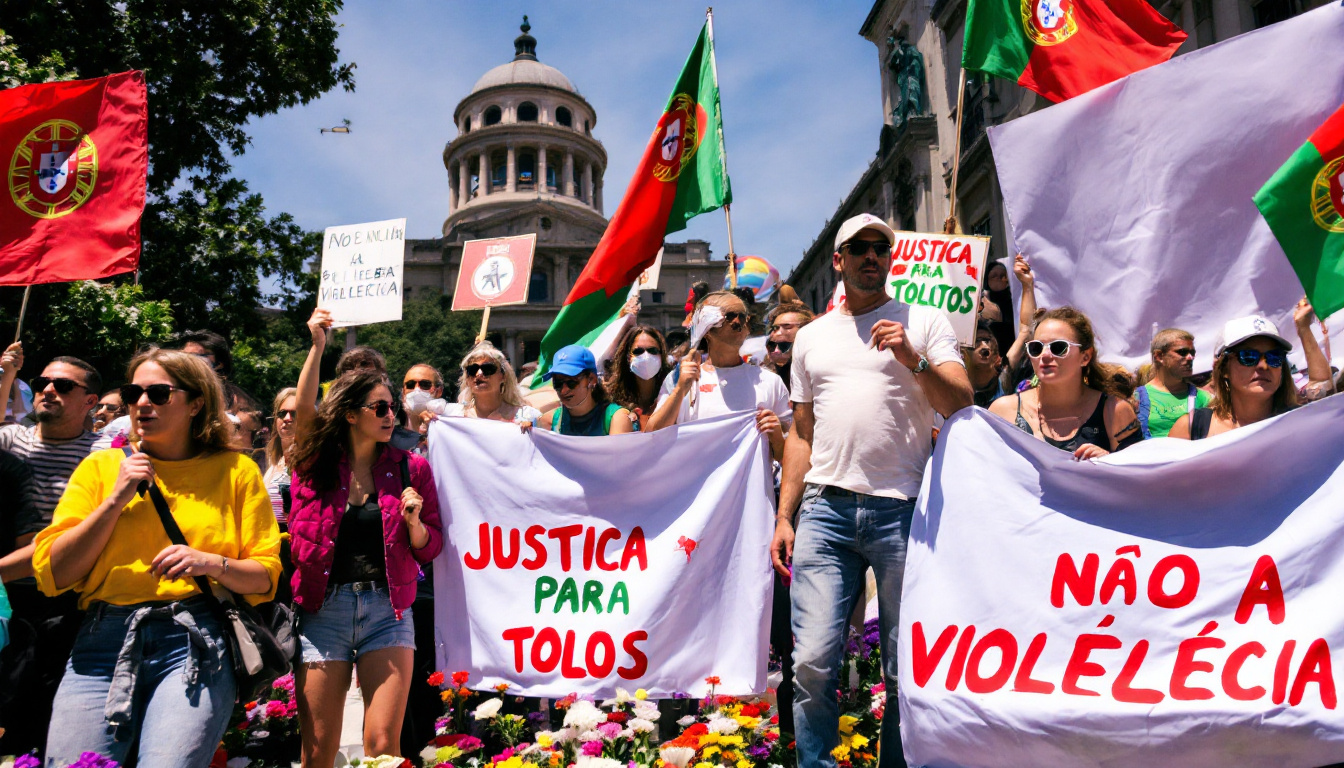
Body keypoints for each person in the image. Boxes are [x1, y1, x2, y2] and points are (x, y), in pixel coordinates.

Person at [770, 213, 973, 768]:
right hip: (823, 510)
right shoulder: (810, 337)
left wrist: (915, 359)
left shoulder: (925, 320)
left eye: (880, 247)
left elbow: (961, 402)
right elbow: (801, 435)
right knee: (811, 659)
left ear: (891, 258)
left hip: (902, 510)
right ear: (838, 261)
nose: (870, 256)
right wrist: (785, 516)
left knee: (903, 667)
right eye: (857, 248)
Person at [32, 349, 281, 766]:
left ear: (196, 403)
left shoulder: (236, 471)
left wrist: (210, 563)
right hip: (101, 641)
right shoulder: (101, 467)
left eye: (159, 393)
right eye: (134, 393)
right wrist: (114, 500)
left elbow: (264, 577)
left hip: (195, 640)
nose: (142, 403)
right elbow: (54, 572)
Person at [288, 369, 444, 766]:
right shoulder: (313, 464)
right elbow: (306, 412)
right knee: (318, 751)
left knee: (383, 748)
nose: (390, 415)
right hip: (324, 612)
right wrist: (317, 345)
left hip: (388, 611)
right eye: (379, 408)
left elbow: (431, 547)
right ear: (350, 414)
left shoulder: (412, 468)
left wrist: (413, 523)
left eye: (392, 406)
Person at [0, 352, 102, 757]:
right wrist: (8, 376)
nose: (47, 391)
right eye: (43, 383)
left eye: (62, 386)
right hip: (9, 595)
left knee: (50, 695)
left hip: (67, 596)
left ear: (90, 401)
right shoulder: (10, 441)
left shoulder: (101, 455)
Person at [645, 292, 789, 460]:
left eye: (742, 317)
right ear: (707, 328)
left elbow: (789, 458)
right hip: (697, 485)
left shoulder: (770, 382)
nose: (737, 322)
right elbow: (652, 437)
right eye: (728, 316)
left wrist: (777, 438)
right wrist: (679, 390)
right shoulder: (680, 379)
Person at [988, 307, 1142, 459]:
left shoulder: (1114, 411)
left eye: (1058, 347)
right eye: (1036, 348)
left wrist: (1110, 462)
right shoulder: (1003, 411)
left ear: (1085, 357)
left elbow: (1139, 476)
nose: (1045, 355)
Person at [1170, 315, 1298, 440]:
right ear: (1224, 368)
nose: (1263, 366)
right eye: (1248, 356)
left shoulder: (1302, 423)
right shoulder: (1190, 428)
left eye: (1274, 357)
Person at [537, 345, 634, 436]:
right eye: (557, 384)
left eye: (571, 382)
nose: (564, 390)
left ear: (591, 379)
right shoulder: (548, 422)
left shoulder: (616, 419)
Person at [1135, 328, 1212, 438]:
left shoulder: (1204, 398)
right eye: (1182, 352)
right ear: (1159, 356)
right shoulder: (1137, 399)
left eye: (1192, 352)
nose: (1190, 358)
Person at [441, 343, 542, 425]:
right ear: (467, 379)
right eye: (472, 370)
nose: (479, 374)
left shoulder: (526, 416)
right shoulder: (451, 416)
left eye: (488, 369)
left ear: (503, 376)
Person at [604, 326, 672, 431]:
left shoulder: (671, 394)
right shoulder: (612, 400)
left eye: (652, 350)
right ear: (628, 357)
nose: (646, 356)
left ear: (661, 356)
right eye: (638, 351)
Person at [763, 302, 815, 393]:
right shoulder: (765, 380)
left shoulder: (819, 372)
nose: (777, 333)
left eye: (787, 327)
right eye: (775, 328)